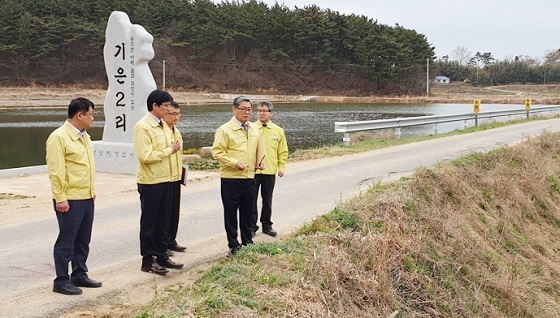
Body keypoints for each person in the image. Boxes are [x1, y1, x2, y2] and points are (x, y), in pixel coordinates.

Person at [46, 97, 102, 295]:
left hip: (86, 196)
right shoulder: (58, 137)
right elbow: (56, 171)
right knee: (66, 241)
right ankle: (61, 280)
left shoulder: (85, 136)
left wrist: (91, 191)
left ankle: (79, 274)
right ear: (80, 115)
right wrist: (60, 197)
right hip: (69, 199)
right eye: (91, 114)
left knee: (83, 239)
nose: (93, 118)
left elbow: (87, 167)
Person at [133, 89, 183, 275]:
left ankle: (162, 256)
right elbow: (145, 156)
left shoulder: (164, 125)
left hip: (168, 179)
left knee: (164, 221)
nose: (168, 110)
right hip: (151, 181)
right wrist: (169, 150)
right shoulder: (143, 127)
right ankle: (147, 260)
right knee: (150, 223)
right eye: (165, 106)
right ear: (154, 106)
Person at [212, 96, 265, 256]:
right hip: (231, 178)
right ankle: (233, 245)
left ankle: (248, 242)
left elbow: (259, 148)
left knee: (248, 213)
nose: (247, 112)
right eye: (243, 109)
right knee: (231, 214)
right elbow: (217, 152)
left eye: (249, 109)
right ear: (234, 109)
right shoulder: (224, 130)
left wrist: (260, 161)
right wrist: (235, 163)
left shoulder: (254, 129)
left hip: (249, 177)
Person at [251, 101, 289, 237]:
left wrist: (281, 167)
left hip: (269, 171)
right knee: (251, 200)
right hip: (253, 171)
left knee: (267, 199)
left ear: (271, 113)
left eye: (264, 111)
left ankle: (267, 225)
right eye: (259, 110)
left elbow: (283, 151)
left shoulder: (278, 130)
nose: (261, 113)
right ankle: (251, 227)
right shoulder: (251, 128)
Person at [162, 101, 187, 256]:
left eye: (178, 114)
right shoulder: (161, 131)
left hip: (175, 176)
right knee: (164, 214)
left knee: (173, 212)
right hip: (164, 177)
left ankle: (171, 240)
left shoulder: (175, 131)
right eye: (173, 114)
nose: (176, 117)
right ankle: (163, 244)